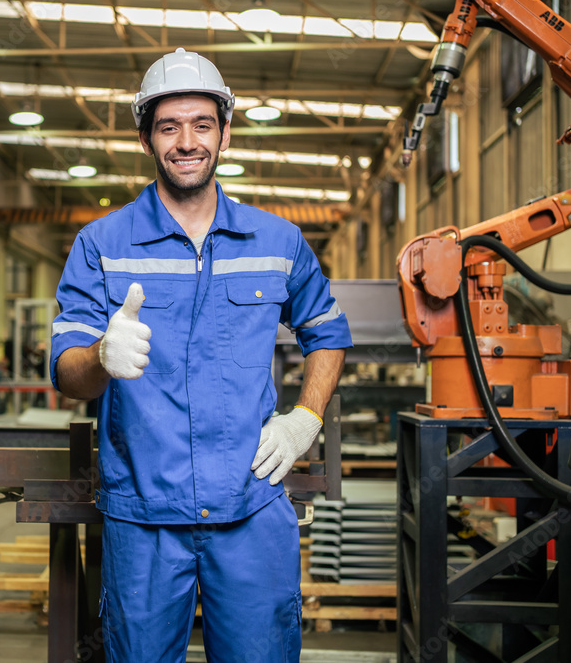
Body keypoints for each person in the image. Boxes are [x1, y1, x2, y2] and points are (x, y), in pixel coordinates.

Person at [49, 48, 353, 661]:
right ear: (145, 137)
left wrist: (307, 419)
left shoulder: (277, 241)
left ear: (225, 132)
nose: (186, 141)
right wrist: (101, 357)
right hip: (143, 519)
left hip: (251, 509)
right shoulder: (101, 244)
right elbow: (66, 374)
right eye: (168, 126)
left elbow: (327, 332)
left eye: (202, 124)